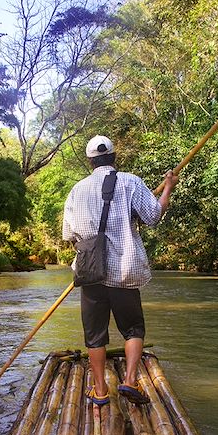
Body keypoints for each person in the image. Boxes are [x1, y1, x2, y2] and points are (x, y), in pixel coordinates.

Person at [62, 135, 178, 406]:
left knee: (94, 334)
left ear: (90, 161)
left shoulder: (76, 191)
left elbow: (69, 235)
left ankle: (100, 390)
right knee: (133, 328)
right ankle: (128, 381)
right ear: (114, 157)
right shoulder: (131, 182)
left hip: (91, 272)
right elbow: (153, 216)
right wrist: (168, 188)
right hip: (124, 272)